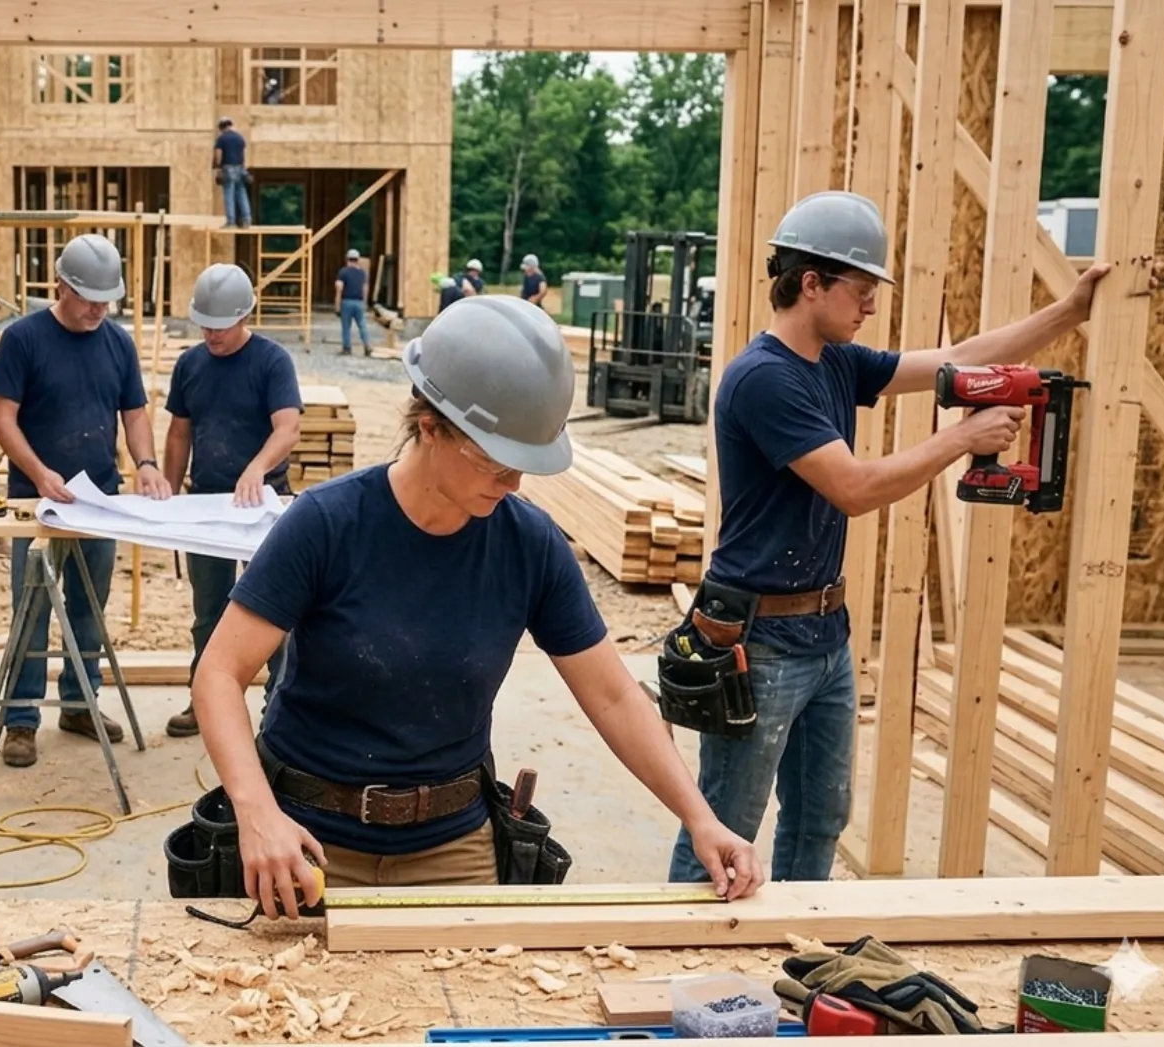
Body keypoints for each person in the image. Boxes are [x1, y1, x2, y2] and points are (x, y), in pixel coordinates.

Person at [190, 294, 765, 913]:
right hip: (307, 842)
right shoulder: (326, 525)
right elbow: (220, 673)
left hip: (453, 846)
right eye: (496, 464)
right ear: (431, 427)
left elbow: (615, 695)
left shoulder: (529, 544)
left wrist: (701, 818)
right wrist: (255, 812)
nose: (515, 483)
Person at [665, 190, 1111, 884]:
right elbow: (854, 486)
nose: (871, 303)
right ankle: (690, 975)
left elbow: (961, 359)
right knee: (723, 831)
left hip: (822, 634)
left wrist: (1069, 312)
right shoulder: (763, 380)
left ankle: (800, 957)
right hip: (758, 639)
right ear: (810, 283)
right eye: (862, 288)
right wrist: (961, 436)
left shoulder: (837, 362)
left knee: (819, 821)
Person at [0, 233, 173, 768]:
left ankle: (79, 701)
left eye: (105, 298)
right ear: (60, 286)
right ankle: (20, 718)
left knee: (90, 607)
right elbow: (3, 416)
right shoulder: (23, 339)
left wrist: (146, 464)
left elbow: (134, 413)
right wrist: (39, 473)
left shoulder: (116, 343)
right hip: (36, 502)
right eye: (88, 297)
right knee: (32, 609)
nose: (98, 308)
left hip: (99, 501)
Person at [160, 264, 304, 739]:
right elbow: (180, 431)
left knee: (273, 614)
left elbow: (287, 427)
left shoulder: (271, 361)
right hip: (206, 506)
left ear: (245, 316)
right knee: (209, 614)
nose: (212, 334)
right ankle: (206, 704)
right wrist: (168, 491)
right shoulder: (190, 364)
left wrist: (256, 468)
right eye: (205, 325)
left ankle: (279, 716)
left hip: (264, 507)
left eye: (221, 326)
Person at [214, 117, 252, 229]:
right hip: (240, 168)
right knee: (242, 194)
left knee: (229, 195)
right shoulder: (240, 138)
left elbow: (218, 156)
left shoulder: (221, 139)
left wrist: (218, 168)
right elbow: (244, 155)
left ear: (221, 127)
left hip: (228, 168)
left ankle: (231, 222)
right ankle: (247, 220)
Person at [334, 248, 372, 356]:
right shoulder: (362, 273)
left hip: (346, 302)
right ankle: (367, 346)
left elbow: (339, 288)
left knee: (346, 326)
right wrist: (364, 303)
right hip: (359, 302)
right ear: (357, 260)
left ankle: (347, 348)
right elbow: (365, 288)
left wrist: (337, 305)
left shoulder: (343, 272)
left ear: (347, 259)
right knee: (362, 325)